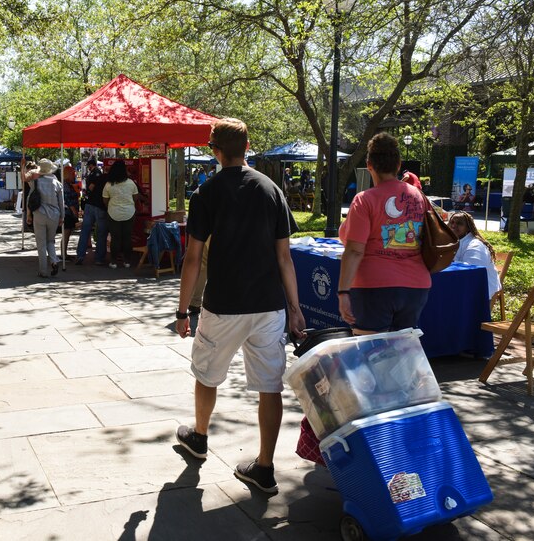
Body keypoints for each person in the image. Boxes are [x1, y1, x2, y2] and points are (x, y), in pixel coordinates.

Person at [174, 117, 306, 494]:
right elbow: (285, 258)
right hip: (268, 305)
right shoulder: (272, 191)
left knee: (206, 373)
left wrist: (184, 310)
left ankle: (199, 437)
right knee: (270, 387)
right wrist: (294, 307)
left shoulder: (206, 193)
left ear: (214, 151)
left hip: (223, 304)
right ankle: (264, 467)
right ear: (247, 147)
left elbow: (193, 258)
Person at [338, 132, 431, 335]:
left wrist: (343, 292)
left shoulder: (364, 200)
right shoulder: (419, 196)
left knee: (370, 356)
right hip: (415, 287)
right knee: (401, 355)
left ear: (369, 164)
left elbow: (354, 250)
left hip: (374, 286)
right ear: (398, 164)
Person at [447, 212, 501, 299]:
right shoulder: (452, 241)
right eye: (452, 222)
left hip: (481, 291)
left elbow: (473, 273)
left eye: (459, 223)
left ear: (468, 228)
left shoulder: (475, 246)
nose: (454, 225)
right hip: (461, 285)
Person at [102, 160, 140, 269]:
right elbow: (135, 197)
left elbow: (105, 200)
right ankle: (127, 261)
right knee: (127, 237)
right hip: (129, 212)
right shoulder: (131, 183)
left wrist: (112, 205)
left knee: (115, 238)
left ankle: (113, 262)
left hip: (113, 213)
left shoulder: (109, 184)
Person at [30, 159, 64, 277]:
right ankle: (54, 261)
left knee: (41, 244)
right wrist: (62, 217)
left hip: (39, 214)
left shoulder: (35, 182)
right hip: (54, 215)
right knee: (50, 241)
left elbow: (30, 199)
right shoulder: (57, 184)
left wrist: (29, 215)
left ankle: (43, 271)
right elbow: (61, 203)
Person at [75, 158, 109, 265]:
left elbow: (90, 188)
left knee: (85, 230)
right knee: (101, 232)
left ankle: (80, 254)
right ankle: (99, 258)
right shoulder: (101, 175)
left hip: (90, 204)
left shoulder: (93, 174)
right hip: (100, 206)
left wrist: (88, 193)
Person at [62, 165, 80, 259]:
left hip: (70, 212)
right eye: (73, 174)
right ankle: (63, 254)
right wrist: (74, 211)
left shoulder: (68, 184)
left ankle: (64, 253)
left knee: (67, 233)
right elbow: (68, 200)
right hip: (68, 212)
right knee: (66, 233)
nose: (74, 176)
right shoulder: (65, 185)